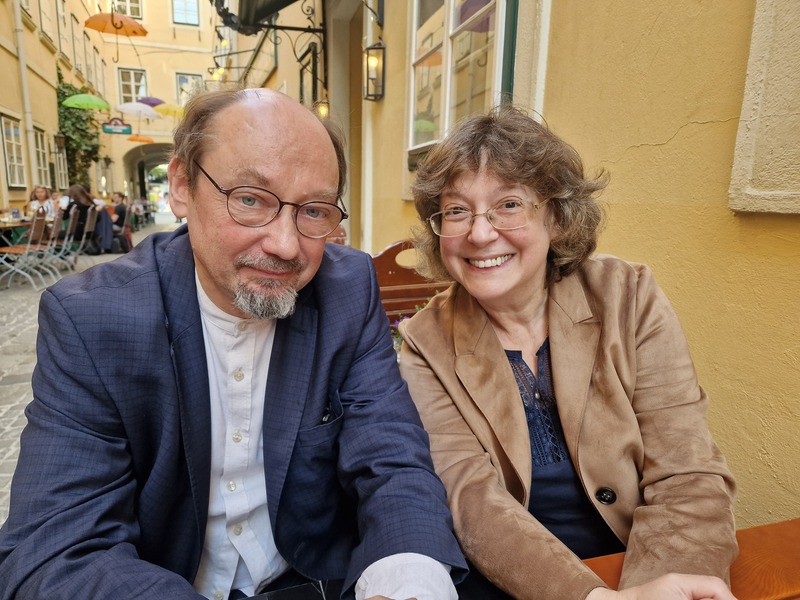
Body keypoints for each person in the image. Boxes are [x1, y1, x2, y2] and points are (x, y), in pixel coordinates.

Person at [0, 88, 466, 600]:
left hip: (314, 580)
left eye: (314, 211)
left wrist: (408, 579)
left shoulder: (347, 288)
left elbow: (392, 458)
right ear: (182, 186)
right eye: (249, 199)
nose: (285, 245)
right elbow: (56, 549)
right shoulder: (92, 318)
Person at [399, 105, 738, 600]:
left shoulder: (628, 296)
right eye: (456, 211)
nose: (479, 233)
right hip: (517, 582)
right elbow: (472, 502)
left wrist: (655, 587)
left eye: (509, 204)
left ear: (556, 216)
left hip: (643, 563)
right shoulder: (425, 343)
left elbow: (687, 472)